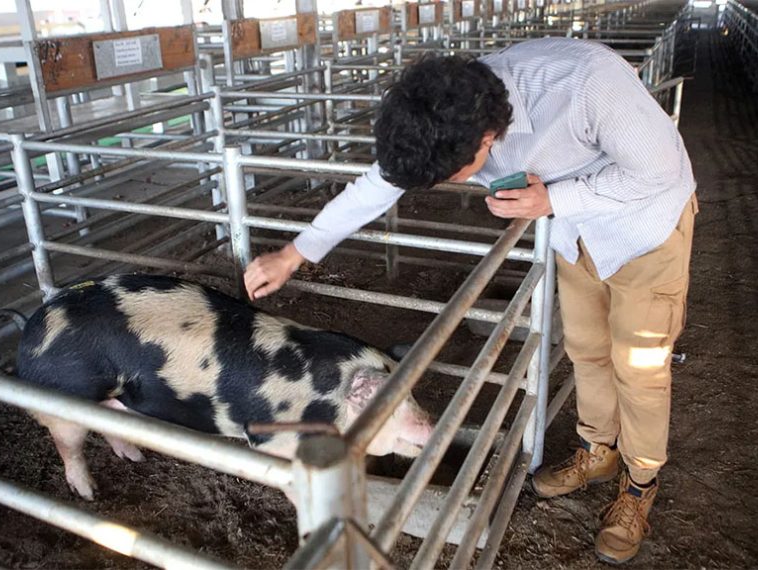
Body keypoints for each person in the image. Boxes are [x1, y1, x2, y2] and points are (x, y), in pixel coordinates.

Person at [243, 37, 697, 564]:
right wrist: (294, 254)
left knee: (638, 366)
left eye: (451, 177)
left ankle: (640, 484)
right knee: (587, 349)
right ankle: (598, 450)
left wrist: (554, 198)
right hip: (575, 234)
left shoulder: (588, 82)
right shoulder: (441, 112)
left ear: (486, 139)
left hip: (645, 228)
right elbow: (375, 186)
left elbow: (658, 170)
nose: (448, 184)